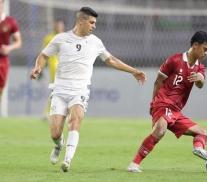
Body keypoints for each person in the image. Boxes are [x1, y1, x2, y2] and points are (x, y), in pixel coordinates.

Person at [30, 7, 146, 172]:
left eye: (95, 23)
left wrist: (134, 71)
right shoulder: (61, 39)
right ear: (81, 21)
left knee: (75, 121)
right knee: (55, 132)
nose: (94, 26)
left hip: (80, 90)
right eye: (91, 22)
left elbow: (111, 60)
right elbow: (43, 55)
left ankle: (67, 160)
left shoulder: (95, 42)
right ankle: (58, 145)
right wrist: (37, 68)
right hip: (60, 89)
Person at [127, 31, 207, 172]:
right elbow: (158, 82)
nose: (206, 53)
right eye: (205, 49)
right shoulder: (174, 60)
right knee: (160, 130)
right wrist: (154, 104)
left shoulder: (199, 66)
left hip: (176, 110)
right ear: (195, 45)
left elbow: (200, 83)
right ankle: (134, 165)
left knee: (202, 132)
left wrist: (200, 79)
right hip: (163, 104)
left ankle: (199, 149)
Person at [0, 0, 22, 111]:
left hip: (3, 60)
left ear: (3, 3)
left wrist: (9, 48)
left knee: (1, 87)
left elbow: (18, 42)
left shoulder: (10, 22)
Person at [42, 19, 65, 119]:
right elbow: (43, 54)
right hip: (54, 68)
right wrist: (41, 68)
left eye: (60, 25)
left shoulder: (68, 37)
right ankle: (49, 112)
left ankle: (52, 112)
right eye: (57, 25)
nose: (58, 27)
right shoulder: (48, 38)